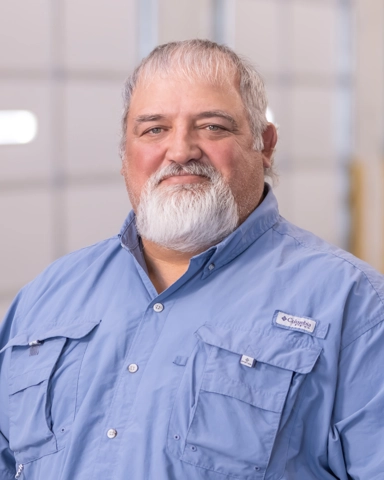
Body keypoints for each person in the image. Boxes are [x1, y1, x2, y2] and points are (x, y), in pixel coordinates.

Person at [0, 39, 383, 480]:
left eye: (213, 127)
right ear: (125, 154)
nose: (180, 150)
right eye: (154, 129)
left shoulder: (355, 307)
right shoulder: (48, 295)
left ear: (266, 145)